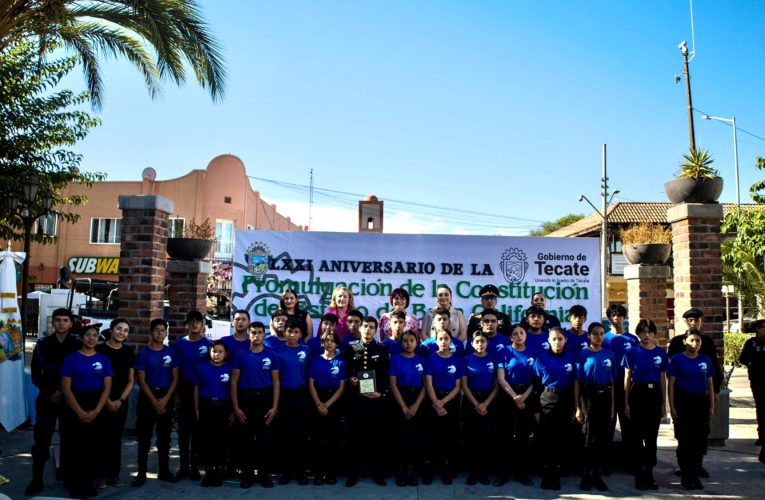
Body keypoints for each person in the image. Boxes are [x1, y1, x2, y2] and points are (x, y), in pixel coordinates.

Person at [25, 308, 82, 497]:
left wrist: (62, 391)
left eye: (65, 320)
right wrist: (51, 391)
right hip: (47, 397)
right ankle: (37, 480)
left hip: (70, 399)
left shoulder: (76, 345)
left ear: (71, 323)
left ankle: (70, 479)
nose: (61, 323)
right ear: (53, 322)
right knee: (41, 440)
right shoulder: (43, 344)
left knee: (71, 440)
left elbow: (79, 374)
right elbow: (35, 374)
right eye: (58, 320)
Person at [59, 323, 113, 498]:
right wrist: (80, 412)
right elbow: (66, 388)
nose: (91, 338)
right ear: (82, 338)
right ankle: (74, 483)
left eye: (95, 335)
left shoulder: (103, 359)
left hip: (96, 403)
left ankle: (88, 481)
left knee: (92, 446)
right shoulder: (71, 358)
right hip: (75, 403)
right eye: (88, 335)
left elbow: (107, 388)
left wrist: (96, 411)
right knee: (74, 445)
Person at [667, 308, 721, 479]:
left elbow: (714, 370)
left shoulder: (707, 342)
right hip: (683, 396)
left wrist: (715, 393)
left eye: (697, 320)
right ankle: (683, 465)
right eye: (690, 320)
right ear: (686, 322)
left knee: (701, 434)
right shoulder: (677, 342)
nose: (694, 323)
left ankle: (698, 465)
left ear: (701, 322)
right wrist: (672, 405)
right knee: (683, 434)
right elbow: (672, 375)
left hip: (701, 397)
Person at [230, 321, 279, 489]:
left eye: (260, 332)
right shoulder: (241, 355)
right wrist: (236, 407)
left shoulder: (272, 355)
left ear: (264, 335)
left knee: (265, 439)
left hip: (265, 399)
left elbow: (276, 382)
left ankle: (264, 474)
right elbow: (234, 381)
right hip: (246, 399)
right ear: (249, 335)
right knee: (246, 438)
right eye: (253, 332)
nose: (256, 335)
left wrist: (274, 407)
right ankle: (247, 474)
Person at [342, 316, 390, 487]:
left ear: (376, 330)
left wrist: (382, 393)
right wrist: (350, 379)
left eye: (371, 327)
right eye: (365, 326)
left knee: (376, 438)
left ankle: (377, 473)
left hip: (374, 400)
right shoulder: (350, 347)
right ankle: (353, 474)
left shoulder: (382, 349)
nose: (368, 329)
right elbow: (345, 369)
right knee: (354, 438)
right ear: (360, 328)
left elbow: (385, 375)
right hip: (355, 399)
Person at [132, 318, 179, 487]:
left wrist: (165, 399)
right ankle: (142, 472)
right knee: (144, 437)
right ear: (150, 333)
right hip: (147, 398)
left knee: (164, 438)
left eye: (163, 330)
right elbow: (141, 380)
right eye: (157, 330)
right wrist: (154, 401)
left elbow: (175, 378)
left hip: (165, 396)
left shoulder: (171, 353)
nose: (160, 333)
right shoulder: (143, 354)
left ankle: (164, 470)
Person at [624, 318, 668, 490]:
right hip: (637, 393)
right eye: (643, 331)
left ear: (654, 333)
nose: (646, 335)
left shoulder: (661, 353)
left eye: (649, 331)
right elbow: (627, 378)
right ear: (638, 334)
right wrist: (626, 401)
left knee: (651, 436)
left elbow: (663, 378)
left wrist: (665, 403)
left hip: (654, 394)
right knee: (637, 436)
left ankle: (649, 471)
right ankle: (639, 473)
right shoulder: (632, 352)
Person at [574, 322, 615, 492]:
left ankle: (597, 475)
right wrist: (577, 406)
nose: (598, 337)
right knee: (588, 437)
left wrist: (613, 405)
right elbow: (577, 381)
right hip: (588, 396)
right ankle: (586, 475)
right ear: (589, 336)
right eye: (595, 334)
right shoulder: (582, 355)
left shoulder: (610, 354)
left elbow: (612, 382)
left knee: (602, 437)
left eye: (601, 333)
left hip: (605, 396)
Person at [533, 326, 576, 491]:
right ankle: (549, 473)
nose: (557, 342)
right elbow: (536, 386)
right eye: (553, 339)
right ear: (548, 341)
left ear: (565, 340)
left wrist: (575, 407)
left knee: (562, 436)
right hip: (547, 399)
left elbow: (575, 384)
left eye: (560, 339)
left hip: (566, 399)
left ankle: (557, 471)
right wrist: (536, 409)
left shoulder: (572, 358)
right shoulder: (541, 359)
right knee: (548, 437)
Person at [95, 318, 135, 489]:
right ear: (111, 330)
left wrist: (121, 400)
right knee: (99, 438)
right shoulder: (99, 350)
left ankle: (114, 474)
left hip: (120, 402)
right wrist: (107, 401)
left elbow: (131, 380)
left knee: (115, 439)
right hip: (100, 401)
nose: (121, 333)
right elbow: (95, 377)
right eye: (119, 329)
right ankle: (98, 475)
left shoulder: (128, 352)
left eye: (125, 331)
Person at [496, 324, 537, 486]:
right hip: (507, 396)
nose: (519, 335)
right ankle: (503, 473)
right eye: (515, 333)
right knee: (504, 436)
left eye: (521, 333)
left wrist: (523, 397)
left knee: (523, 436)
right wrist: (514, 397)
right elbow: (500, 378)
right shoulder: (504, 352)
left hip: (527, 396)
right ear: (510, 337)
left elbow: (536, 379)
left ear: (526, 335)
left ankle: (522, 472)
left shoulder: (533, 352)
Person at [173, 310, 212, 480]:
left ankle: (195, 465)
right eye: (191, 321)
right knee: (183, 429)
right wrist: (175, 394)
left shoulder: (209, 344)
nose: (195, 324)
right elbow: (173, 372)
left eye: (198, 321)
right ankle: (183, 466)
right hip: (183, 388)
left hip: (202, 390)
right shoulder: (178, 344)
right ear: (186, 324)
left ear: (202, 324)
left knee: (198, 429)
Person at [602, 303, 639, 472]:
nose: (616, 318)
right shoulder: (605, 339)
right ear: (609, 318)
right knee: (608, 425)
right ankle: (606, 463)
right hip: (609, 385)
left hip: (628, 386)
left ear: (625, 317)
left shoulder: (632, 339)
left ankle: (631, 463)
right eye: (613, 315)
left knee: (629, 425)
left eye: (619, 315)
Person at [275, 317, 312, 485]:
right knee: (285, 434)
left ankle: (301, 471)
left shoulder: (307, 350)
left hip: (302, 396)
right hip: (284, 396)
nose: (292, 335)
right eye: (289, 331)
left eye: (296, 332)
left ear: (301, 334)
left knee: (302, 435)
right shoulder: (277, 351)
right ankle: (286, 471)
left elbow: (310, 375)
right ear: (284, 332)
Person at [424, 328, 462, 485]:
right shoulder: (431, 359)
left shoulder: (457, 360)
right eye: (440, 339)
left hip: (450, 401)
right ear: (436, 341)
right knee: (432, 437)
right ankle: (429, 470)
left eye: (447, 338)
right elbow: (428, 383)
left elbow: (458, 386)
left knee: (449, 437)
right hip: (433, 400)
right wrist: (436, 403)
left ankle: (446, 470)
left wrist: (443, 402)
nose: (444, 341)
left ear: (451, 341)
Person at [388, 329, 426, 487]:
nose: (408, 343)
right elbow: (393, 384)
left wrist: (416, 405)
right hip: (400, 400)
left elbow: (426, 384)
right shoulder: (396, 359)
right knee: (400, 436)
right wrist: (404, 406)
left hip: (418, 400)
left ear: (416, 342)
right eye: (405, 340)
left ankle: (411, 469)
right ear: (401, 343)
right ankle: (400, 469)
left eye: (412, 340)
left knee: (415, 437)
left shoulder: (422, 359)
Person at [308, 331, 346, 485]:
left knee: (332, 439)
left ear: (337, 344)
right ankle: (318, 472)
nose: (329, 343)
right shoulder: (315, 360)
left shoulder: (341, 362)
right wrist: (319, 403)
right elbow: (311, 383)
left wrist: (327, 405)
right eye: (326, 341)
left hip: (334, 402)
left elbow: (342, 386)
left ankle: (331, 472)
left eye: (332, 341)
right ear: (322, 343)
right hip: (317, 399)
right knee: (317, 439)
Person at [462, 330, 499, 486]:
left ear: (487, 343)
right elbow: (464, 384)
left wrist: (485, 403)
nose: (480, 344)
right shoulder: (466, 359)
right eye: (477, 341)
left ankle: (484, 472)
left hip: (489, 401)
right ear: (472, 344)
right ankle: (473, 472)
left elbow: (497, 385)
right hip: (471, 401)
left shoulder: (494, 359)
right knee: (471, 438)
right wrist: (477, 404)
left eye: (483, 341)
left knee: (486, 438)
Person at [194, 339, 231, 487]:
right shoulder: (202, 368)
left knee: (221, 440)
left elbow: (233, 389)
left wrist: (233, 410)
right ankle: (209, 472)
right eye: (214, 351)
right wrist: (197, 409)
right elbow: (196, 389)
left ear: (226, 354)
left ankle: (219, 472)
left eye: (220, 352)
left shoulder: (230, 368)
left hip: (223, 406)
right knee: (207, 439)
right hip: (206, 405)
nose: (217, 354)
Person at [740, 319, 765, 446]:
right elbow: (742, 358)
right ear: (758, 329)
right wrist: (752, 364)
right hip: (757, 379)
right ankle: (762, 435)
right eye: (763, 328)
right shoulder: (751, 343)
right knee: (761, 407)